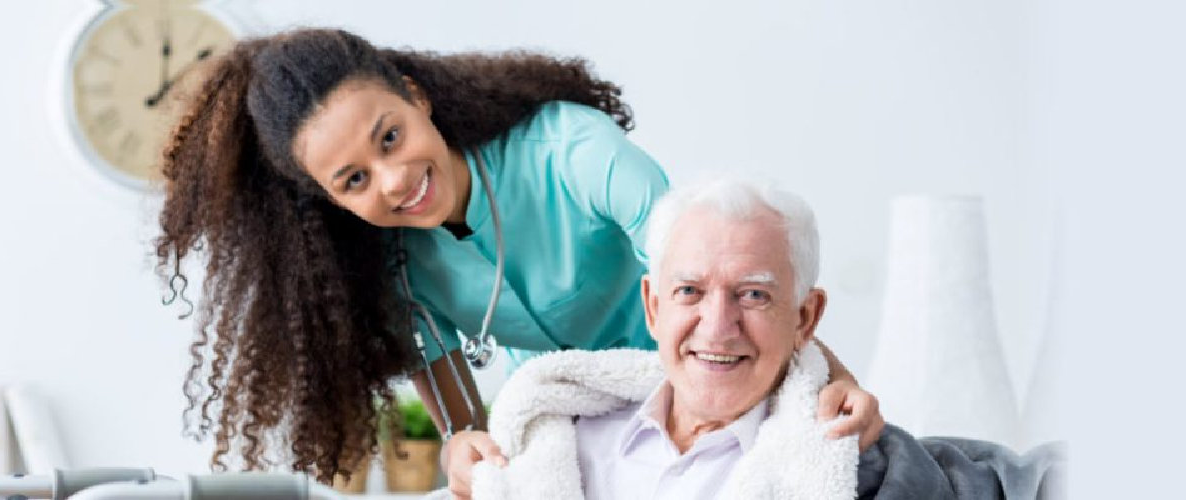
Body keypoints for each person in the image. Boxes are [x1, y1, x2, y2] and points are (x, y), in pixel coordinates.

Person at [153, 28, 884, 493]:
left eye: (388, 138)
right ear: (328, 201)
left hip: (702, 387)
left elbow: (716, 281)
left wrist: (837, 380)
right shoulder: (391, 267)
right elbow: (456, 408)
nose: (394, 180)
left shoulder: (574, 152)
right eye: (353, 181)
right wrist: (462, 447)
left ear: (415, 99)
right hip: (583, 424)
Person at [459, 176, 1064, 499]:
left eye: (752, 294)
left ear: (805, 317)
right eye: (690, 292)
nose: (717, 326)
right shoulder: (554, 441)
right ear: (652, 305)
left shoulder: (852, 460)